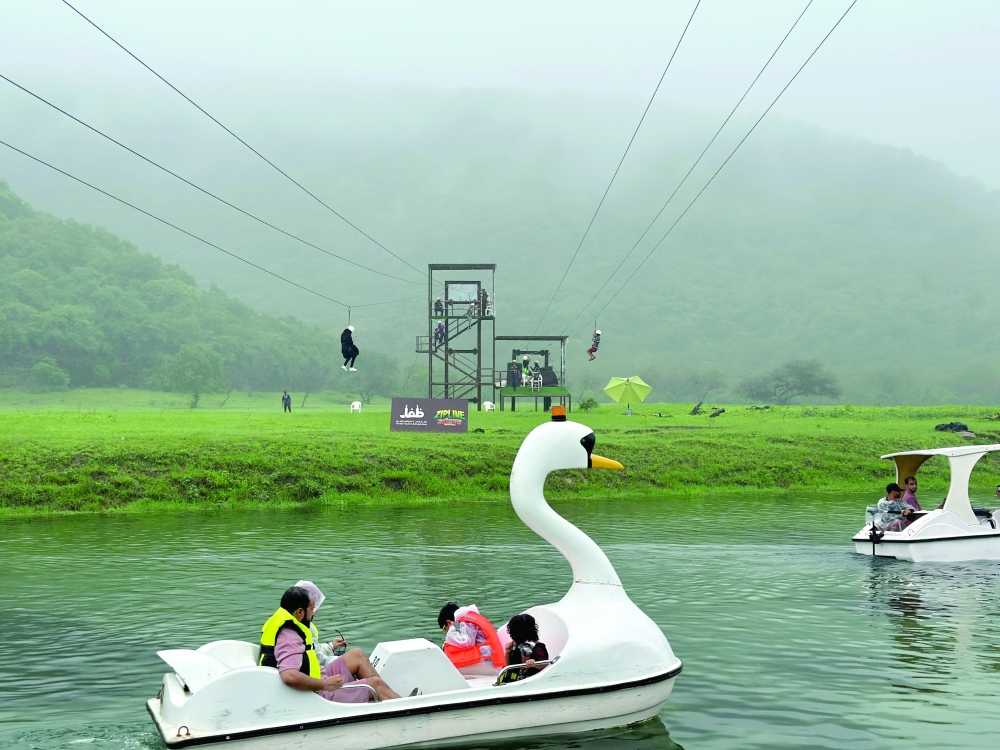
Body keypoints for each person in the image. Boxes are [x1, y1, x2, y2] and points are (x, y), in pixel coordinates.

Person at [260, 585, 403, 702]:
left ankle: (386, 696)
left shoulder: (289, 625)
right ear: (299, 612)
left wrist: (329, 649)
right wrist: (325, 684)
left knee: (357, 655)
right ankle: (400, 704)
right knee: (376, 685)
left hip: (317, 677)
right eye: (312, 609)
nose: (314, 614)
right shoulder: (289, 635)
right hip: (316, 692)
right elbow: (289, 676)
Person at [438, 602, 505, 670]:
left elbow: (466, 642)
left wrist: (452, 629)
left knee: (451, 669)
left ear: (448, 622)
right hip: (490, 660)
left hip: (490, 663)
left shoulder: (466, 622)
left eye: (444, 629)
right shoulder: (469, 617)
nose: (446, 632)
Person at [499, 613, 549, 683]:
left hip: (528, 680)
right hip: (511, 679)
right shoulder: (515, 645)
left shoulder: (537, 647)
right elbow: (509, 664)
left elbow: (544, 665)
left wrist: (533, 664)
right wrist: (508, 651)